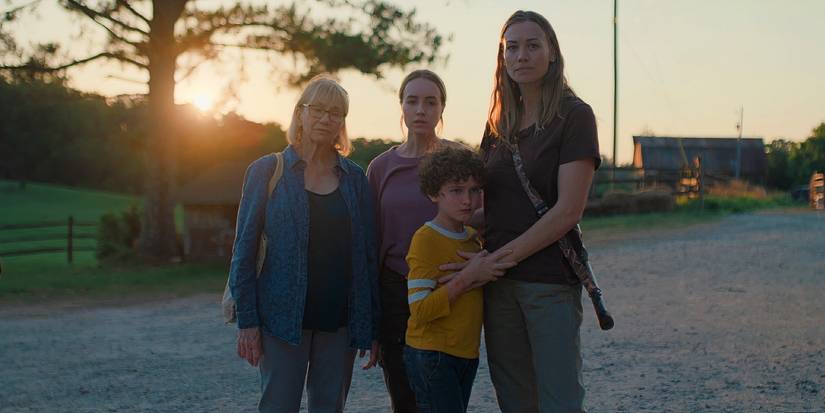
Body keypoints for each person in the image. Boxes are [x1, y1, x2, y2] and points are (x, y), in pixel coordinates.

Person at [443, 10, 601, 413]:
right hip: (498, 285)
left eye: (533, 46)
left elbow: (568, 211)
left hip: (549, 283)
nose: (521, 56)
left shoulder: (575, 116)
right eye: (511, 47)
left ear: (552, 53)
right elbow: (492, 208)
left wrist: (499, 258)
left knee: (560, 402)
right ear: (503, 57)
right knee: (514, 401)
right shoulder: (499, 124)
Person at [229, 75, 380, 413]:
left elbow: (367, 257)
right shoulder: (267, 171)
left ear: (342, 122)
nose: (327, 118)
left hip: (339, 323)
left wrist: (370, 326)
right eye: (318, 109)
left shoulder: (355, 179)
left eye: (336, 113)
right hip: (280, 321)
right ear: (300, 113)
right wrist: (247, 323)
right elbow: (243, 252)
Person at [366, 69, 512, 412]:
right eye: (412, 101)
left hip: (453, 282)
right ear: (401, 106)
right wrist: (369, 317)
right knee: (404, 397)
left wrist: (475, 262)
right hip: (396, 291)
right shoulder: (381, 167)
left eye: (430, 102)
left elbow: (488, 214)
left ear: (442, 108)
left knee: (445, 396)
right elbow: (370, 243)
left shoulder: (459, 160)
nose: (421, 110)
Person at [403, 147, 513, 413]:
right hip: (432, 353)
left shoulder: (473, 239)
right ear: (434, 194)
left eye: (474, 190)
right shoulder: (425, 239)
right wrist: (466, 278)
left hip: (466, 353)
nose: (468, 200)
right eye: (456, 190)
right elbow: (420, 310)